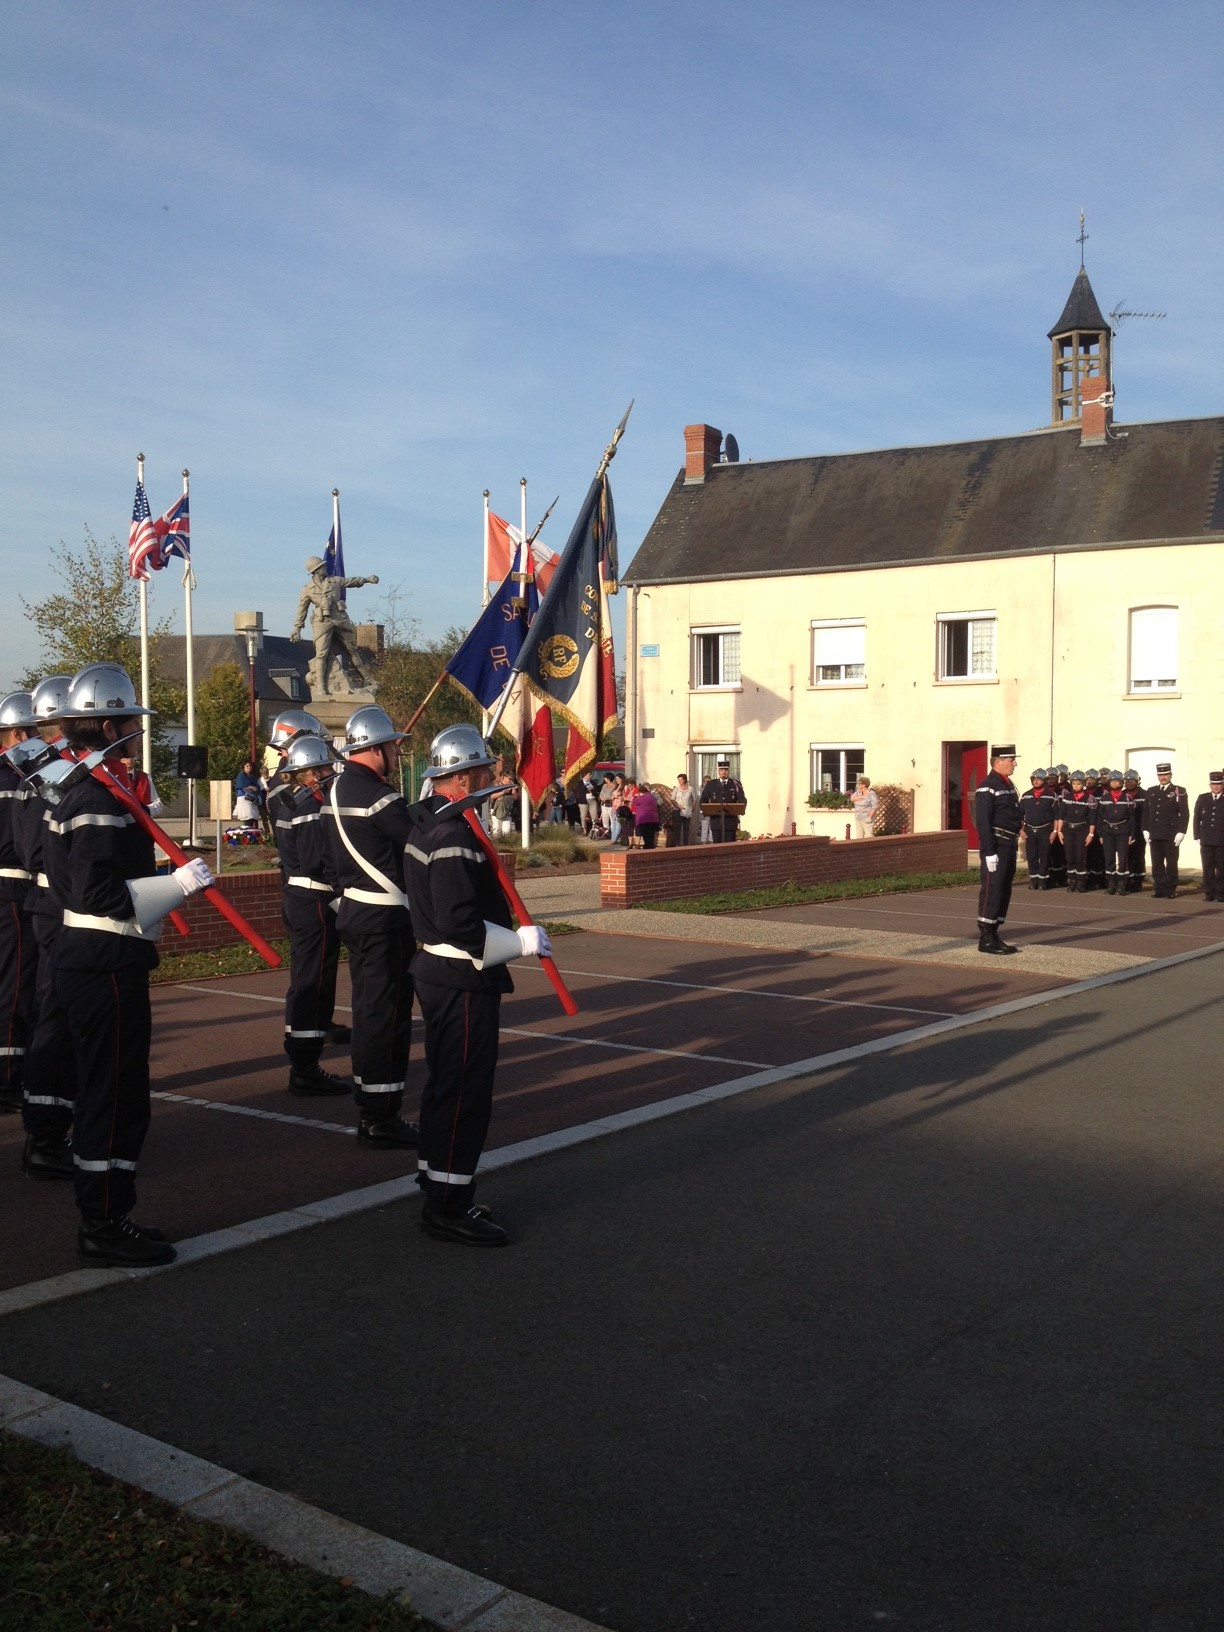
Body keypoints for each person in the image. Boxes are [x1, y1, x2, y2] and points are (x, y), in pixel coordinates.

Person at [42, 662, 213, 1266]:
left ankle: (109, 1213)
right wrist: (175, 886)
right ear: (110, 727)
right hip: (104, 958)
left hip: (101, 956)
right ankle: (104, 1221)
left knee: (113, 1090)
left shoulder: (92, 790)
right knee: (113, 1095)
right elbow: (98, 893)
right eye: (132, 724)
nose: (140, 734)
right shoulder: (93, 798)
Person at [404, 725, 552, 1246]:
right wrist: (518, 943)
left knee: (448, 1083)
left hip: (442, 974)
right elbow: (458, 923)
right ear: (463, 778)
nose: (492, 778)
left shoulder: (431, 824)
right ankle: (448, 1203)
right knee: (464, 1090)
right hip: (461, 977)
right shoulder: (452, 835)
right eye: (485, 771)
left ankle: (438, 1178)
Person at [322, 705, 421, 1147]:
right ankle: (380, 1116)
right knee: (389, 1017)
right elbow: (417, 844)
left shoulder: (336, 789)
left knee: (368, 1012)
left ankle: (371, 1102)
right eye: (393, 747)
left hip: (355, 912)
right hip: (386, 917)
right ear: (377, 749)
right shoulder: (382, 797)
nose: (396, 754)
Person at [12, 675, 77, 1176]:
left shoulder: (50, 771)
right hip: (59, 906)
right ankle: (45, 1135)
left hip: (55, 904)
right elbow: (42, 852)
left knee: (59, 1018)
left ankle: (54, 1126)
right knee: (55, 1019)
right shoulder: (51, 774)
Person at [275, 733, 352, 1097]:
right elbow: (314, 861)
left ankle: (304, 1059)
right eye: (323, 768)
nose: (328, 773)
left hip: (304, 898)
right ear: (310, 772)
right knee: (313, 984)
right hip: (313, 899)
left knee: (309, 981)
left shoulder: (298, 800)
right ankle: (305, 1067)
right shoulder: (307, 807)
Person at [0, 693, 39, 1113]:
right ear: (18, 734)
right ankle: (8, 1077)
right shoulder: (16, 780)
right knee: (14, 988)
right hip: (12, 889)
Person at [290, 556, 380, 694]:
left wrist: (367, 579)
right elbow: (302, 609)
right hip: (322, 622)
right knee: (321, 654)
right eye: (322, 566)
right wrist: (297, 628)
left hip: (340, 618)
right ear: (316, 571)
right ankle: (321, 688)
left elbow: (350, 581)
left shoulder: (334, 581)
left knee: (352, 650)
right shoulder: (307, 589)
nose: (325, 568)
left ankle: (367, 679)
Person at [974, 743, 1021, 954]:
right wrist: (989, 852)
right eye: (1011, 760)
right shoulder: (988, 786)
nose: (1014, 764)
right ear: (998, 761)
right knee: (992, 890)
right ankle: (986, 937)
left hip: (1009, 843)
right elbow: (983, 822)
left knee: (1003, 890)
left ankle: (994, 932)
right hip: (997, 845)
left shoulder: (1008, 784)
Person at [1144, 762, 1189, 900]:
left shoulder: (1178, 791)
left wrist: (1181, 831)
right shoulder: (1151, 791)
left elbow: (1184, 813)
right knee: (1157, 863)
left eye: (1165, 774)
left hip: (1171, 834)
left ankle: (1170, 889)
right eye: (1160, 775)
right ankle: (1159, 888)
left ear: (1170, 775)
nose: (1163, 777)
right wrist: (1145, 829)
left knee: (1171, 863)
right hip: (1155, 833)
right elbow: (1146, 812)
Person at [1095, 770, 1136, 895]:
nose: (1114, 784)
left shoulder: (1127, 798)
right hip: (1108, 832)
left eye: (1117, 781)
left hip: (1123, 832)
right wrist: (1100, 834)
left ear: (1121, 783)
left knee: (1123, 859)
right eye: (1112, 782)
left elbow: (1132, 818)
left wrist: (1132, 834)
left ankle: (1121, 886)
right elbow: (1099, 818)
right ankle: (1111, 885)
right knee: (1109, 859)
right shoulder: (1104, 798)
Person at [1055, 771, 1096, 893]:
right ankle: (1072, 881)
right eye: (1074, 784)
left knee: (1080, 857)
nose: (1076, 786)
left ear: (1083, 784)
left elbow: (1092, 818)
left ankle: (1081, 882)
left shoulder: (1089, 798)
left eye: (1078, 784)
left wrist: (1091, 834)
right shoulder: (1067, 797)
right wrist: (1059, 831)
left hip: (1082, 830)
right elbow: (1061, 815)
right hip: (1068, 830)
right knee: (1069, 856)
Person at [1019, 767, 1058, 889]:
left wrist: (1055, 831)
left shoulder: (1051, 796)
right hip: (1030, 830)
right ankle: (1033, 879)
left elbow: (1057, 816)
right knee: (1031, 856)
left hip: (1045, 830)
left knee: (1045, 855)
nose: (1036, 781)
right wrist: (1021, 830)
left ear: (1044, 781)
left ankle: (1042, 880)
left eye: (1039, 779)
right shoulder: (1026, 796)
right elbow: (1019, 815)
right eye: (1034, 779)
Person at [699, 758, 747, 844]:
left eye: (726, 770)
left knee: (730, 847)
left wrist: (741, 808)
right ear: (718, 771)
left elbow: (742, 799)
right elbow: (703, 800)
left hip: (730, 822)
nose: (724, 772)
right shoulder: (711, 784)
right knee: (717, 847)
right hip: (716, 821)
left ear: (729, 771)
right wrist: (706, 810)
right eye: (721, 770)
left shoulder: (735, 784)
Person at [1193, 772, 1224, 902]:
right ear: (1210, 785)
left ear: (1222, 785)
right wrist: (1197, 835)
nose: (1216, 787)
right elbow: (1197, 817)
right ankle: (1209, 893)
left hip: (1221, 840)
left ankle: (1220, 894)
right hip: (1206, 840)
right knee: (1207, 868)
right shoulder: (1203, 798)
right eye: (1213, 784)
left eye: (1219, 784)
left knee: (1221, 868)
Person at [630, 782, 661, 849]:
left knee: (646, 836)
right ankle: (651, 847)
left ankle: (648, 848)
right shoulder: (652, 797)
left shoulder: (642, 798)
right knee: (651, 835)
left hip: (644, 820)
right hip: (653, 819)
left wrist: (635, 796)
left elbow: (634, 802)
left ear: (641, 792)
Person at [233, 760, 262, 830]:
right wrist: (251, 787)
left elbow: (257, 786)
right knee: (246, 817)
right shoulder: (241, 776)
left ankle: (249, 831)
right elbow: (241, 786)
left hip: (252, 799)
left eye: (250, 766)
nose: (249, 767)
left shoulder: (252, 777)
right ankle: (245, 832)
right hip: (244, 798)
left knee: (252, 817)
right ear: (244, 767)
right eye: (247, 766)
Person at [669, 772, 696, 845]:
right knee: (677, 828)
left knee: (686, 828)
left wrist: (693, 807)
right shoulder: (676, 789)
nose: (679, 781)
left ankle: (685, 844)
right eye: (678, 780)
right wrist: (678, 806)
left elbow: (694, 799)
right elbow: (672, 799)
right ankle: (677, 844)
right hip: (677, 810)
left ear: (684, 780)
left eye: (680, 779)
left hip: (687, 811)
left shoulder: (690, 789)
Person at [850, 775, 878, 840]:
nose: (858, 785)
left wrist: (870, 816)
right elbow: (852, 799)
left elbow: (875, 806)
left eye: (859, 783)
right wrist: (861, 797)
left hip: (866, 816)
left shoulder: (871, 794)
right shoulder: (858, 793)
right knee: (859, 835)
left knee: (869, 835)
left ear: (864, 785)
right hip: (858, 816)